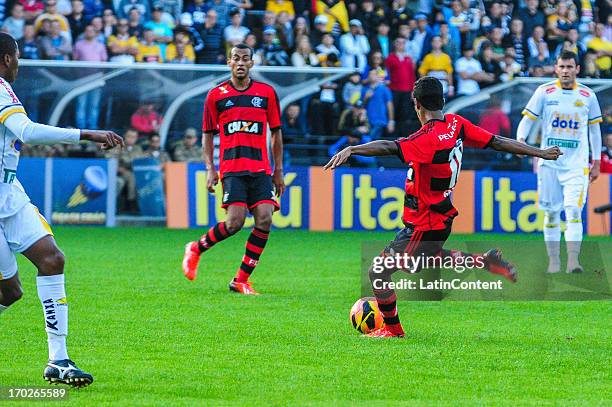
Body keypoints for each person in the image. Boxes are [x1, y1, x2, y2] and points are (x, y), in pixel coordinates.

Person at [325, 76, 562, 338]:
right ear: (443, 101)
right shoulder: (456, 124)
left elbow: (389, 146)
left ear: (416, 104)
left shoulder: (426, 138)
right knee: (428, 257)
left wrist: (353, 149)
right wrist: (538, 152)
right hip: (439, 216)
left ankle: (394, 331)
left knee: (378, 272)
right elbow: (496, 141)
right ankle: (486, 261)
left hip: (423, 222)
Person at [0, 32, 123, 384]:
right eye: (18, 56)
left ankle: (59, 360)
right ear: (7, 58)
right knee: (10, 292)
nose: (20, 64)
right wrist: (87, 134)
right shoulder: (0, 87)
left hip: (10, 194)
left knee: (52, 258)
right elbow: (26, 130)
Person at [182, 43, 285, 295]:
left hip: (260, 169)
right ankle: (196, 248)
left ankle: (240, 280)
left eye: (245, 58)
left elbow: (276, 134)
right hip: (232, 169)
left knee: (265, 218)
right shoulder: (216, 95)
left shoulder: (266, 93)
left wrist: (278, 170)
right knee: (234, 223)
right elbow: (207, 135)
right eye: (236, 58)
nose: (240, 62)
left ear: (252, 63)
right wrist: (210, 169)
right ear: (229, 62)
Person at [517, 50, 602, 274]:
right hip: (549, 164)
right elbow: (528, 119)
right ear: (556, 68)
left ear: (577, 69)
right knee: (552, 213)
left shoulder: (587, 95)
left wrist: (596, 161)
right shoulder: (544, 92)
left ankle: (573, 261)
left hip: (577, 165)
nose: (565, 71)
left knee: (573, 210)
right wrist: (520, 141)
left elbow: (594, 130)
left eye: (569, 67)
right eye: (562, 67)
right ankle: (554, 261)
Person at [73, 24, 107, 129]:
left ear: (96, 33)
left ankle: (92, 130)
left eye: (92, 31)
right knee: (81, 105)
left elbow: (104, 61)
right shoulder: (78, 44)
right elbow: (74, 61)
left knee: (94, 106)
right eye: (87, 30)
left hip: (96, 80)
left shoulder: (101, 45)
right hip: (82, 80)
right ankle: (81, 130)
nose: (89, 33)